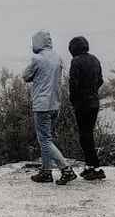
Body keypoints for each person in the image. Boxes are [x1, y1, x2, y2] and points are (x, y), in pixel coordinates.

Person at [23, 29, 76, 184]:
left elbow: (26, 76)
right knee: (47, 139)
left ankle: (66, 169)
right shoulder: (58, 58)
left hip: (41, 105)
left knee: (44, 140)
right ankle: (46, 172)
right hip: (55, 104)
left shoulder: (37, 59)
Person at [68, 35, 106, 180]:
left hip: (82, 103)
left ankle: (96, 168)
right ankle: (90, 166)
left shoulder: (76, 61)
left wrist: (74, 99)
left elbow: (73, 83)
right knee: (88, 134)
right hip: (94, 102)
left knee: (85, 136)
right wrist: (92, 90)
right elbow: (101, 80)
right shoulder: (94, 59)